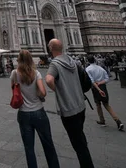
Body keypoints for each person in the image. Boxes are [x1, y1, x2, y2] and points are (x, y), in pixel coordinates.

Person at [45, 39, 95, 168]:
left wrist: (59, 90)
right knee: (80, 138)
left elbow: (49, 80)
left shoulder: (55, 64)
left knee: (78, 143)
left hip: (69, 109)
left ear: (51, 49)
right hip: (80, 105)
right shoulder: (73, 61)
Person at [11, 50, 59, 168]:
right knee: (48, 145)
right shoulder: (36, 73)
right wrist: (38, 95)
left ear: (18, 59)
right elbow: (43, 93)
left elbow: (14, 91)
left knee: (29, 148)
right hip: (39, 112)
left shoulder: (14, 73)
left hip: (23, 113)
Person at [85, 56, 124, 131]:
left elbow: (92, 81)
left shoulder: (88, 69)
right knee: (106, 104)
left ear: (87, 61)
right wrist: (100, 83)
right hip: (103, 87)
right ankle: (118, 121)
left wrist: (98, 89)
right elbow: (107, 79)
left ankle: (102, 120)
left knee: (98, 104)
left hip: (96, 88)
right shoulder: (100, 68)